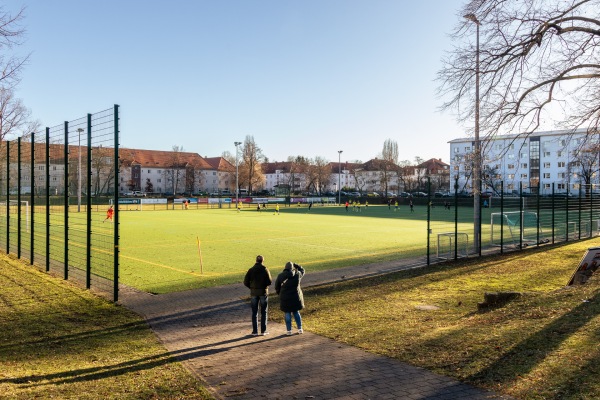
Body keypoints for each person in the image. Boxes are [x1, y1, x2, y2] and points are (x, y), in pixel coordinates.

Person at [243, 255, 273, 336]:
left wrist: (252, 287)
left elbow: (245, 282)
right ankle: (263, 331)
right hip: (263, 292)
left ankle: (255, 331)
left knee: (254, 312)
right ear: (262, 261)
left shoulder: (251, 270)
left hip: (254, 293)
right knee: (264, 312)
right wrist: (264, 286)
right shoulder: (265, 269)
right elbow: (270, 281)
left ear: (256, 260)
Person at [275, 261, 305, 336]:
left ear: (285, 268)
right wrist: (297, 266)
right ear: (292, 268)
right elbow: (303, 271)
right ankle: (300, 328)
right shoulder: (297, 275)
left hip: (285, 297)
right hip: (295, 297)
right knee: (296, 312)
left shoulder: (280, 276)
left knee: (287, 313)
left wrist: (280, 293)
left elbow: (277, 287)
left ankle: (289, 330)